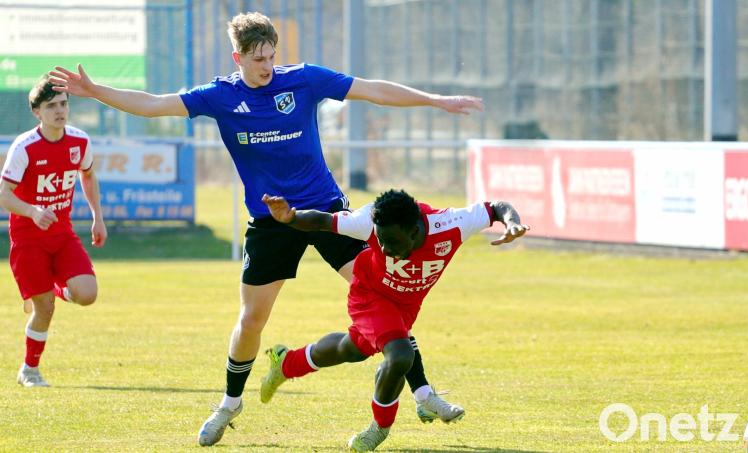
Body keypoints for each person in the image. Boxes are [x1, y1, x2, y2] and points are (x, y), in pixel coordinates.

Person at [48, 11, 484, 446]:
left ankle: (423, 394)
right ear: (237, 57)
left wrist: (435, 100)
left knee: (384, 296)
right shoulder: (220, 96)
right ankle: (229, 404)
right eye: (258, 59)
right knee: (252, 319)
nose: (267, 66)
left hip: (326, 212)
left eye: (272, 56)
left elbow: (371, 90)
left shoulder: (304, 80)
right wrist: (96, 91)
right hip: (270, 221)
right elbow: (153, 104)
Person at [259, 189, 529, 451]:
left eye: (392, 241)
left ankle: (287, 363)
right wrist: (291, 218)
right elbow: (324, 221)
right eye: (380, 240)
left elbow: (496, 208)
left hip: (405, 306)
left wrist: (512, 222)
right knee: (400, 355)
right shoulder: (368, 220)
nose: (385, 248)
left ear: (414, 231)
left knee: (351, 349)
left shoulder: (450, 225)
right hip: (370, 295)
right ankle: (380, 427)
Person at [0, 76, 107, 388]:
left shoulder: (79, 141)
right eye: (51, 106)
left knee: (87, 294)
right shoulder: (25, 147)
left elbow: (88, 175)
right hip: (28, 241)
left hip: (62, 235)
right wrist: (33, 211)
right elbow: (4, 194)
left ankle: (56, 288)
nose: (60, 111)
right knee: (44, 308)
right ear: (38, 112)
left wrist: (97, 217)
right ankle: (29, 370)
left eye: (63, 104)